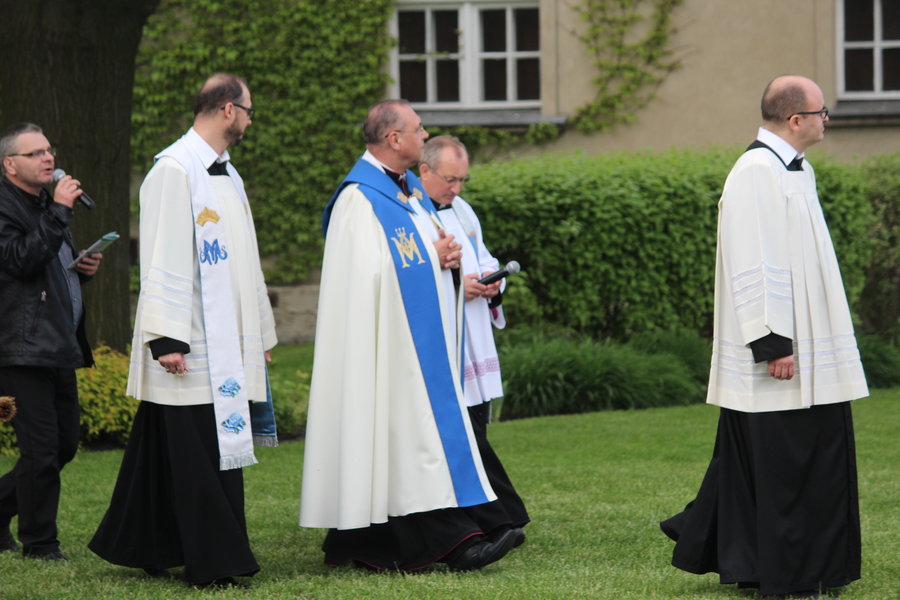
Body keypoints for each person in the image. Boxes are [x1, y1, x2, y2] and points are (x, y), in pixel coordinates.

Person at [660, 75, 869, 598]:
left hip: (811, 348)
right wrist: (772, 342)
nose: (827, 120)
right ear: (795, 119)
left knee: (796, 452)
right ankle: (790, 568)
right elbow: (753, 262)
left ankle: (741, 549)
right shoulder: (755, 172)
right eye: (822, 112)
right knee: (784, 460)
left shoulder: (796, 170)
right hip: (781, 351)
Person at [299, 100, 519, 572]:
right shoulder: (359, 198)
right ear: (394, 139)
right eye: (419, 130)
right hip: (385, 346)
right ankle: (455, 542)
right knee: (410, 441)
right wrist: (430, 253)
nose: (425, 136)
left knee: (406, 443)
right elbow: (362, 276)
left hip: (416, 342)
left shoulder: (409, 191)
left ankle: (357, 543)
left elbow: (421, 251)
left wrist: (445, 254)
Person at [89, 73, 278, 588]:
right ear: (226, 110)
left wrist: (258, 334)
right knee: (200, 451)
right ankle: (217, 561)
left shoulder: (228, 175)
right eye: (249, 111)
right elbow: (162, 255)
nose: (249, 120)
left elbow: (245, 261)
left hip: (226, 341)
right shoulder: (174, 170)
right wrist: (167, 338)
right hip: (190, 340)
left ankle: (144, 540)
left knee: (167, 448)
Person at [419, 136, 530, 546]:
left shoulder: (463, 210)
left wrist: (490, 284)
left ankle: (498, 517)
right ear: (424, 170)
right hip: (445, 338)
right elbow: (412, 275)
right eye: (450, 179)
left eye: (463, 179)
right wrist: (454, 287)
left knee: (476, 427)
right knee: (462, 432)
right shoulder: (411, 211)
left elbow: (482, 257)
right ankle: (501, 516)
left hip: (474, 334)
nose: (457, 189)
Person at [0, 122, 102, 561]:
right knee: (40, 450)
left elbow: (42, 264)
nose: (49, 158)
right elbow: (19, 260)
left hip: (56, 343)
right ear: (10, 164)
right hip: (20, 349)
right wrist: (59, 213)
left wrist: (77, 268)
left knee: (63, 445)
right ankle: (40, 544)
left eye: (49, 150)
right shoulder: (8, 207)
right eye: (35, 153)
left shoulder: (44, 202)